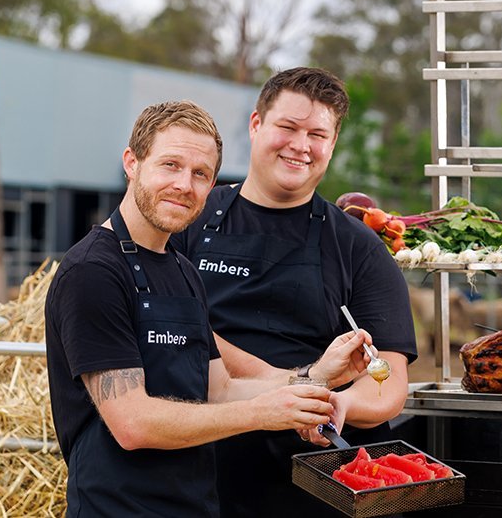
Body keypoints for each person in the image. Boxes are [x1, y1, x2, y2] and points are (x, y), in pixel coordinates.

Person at [45, 100, 373, 516]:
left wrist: (315, 376)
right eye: (170, 165)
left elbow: (218, 388)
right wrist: (257, 415)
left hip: (195, 505)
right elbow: (132, 422)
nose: (185, 184)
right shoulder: (93, 271)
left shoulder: (182, 269)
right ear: (132, 163)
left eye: (201, 173)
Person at [172, 67, 418, 516]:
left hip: (311, 486)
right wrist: (299, 383)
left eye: (317, 134)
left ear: (333, 143)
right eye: (287, 127)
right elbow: (174, 334)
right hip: (200, 468)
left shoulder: (359, 248)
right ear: (256, 125)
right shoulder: (189, 223)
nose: (300, 145)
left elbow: (388, 380)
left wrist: (338, 401)